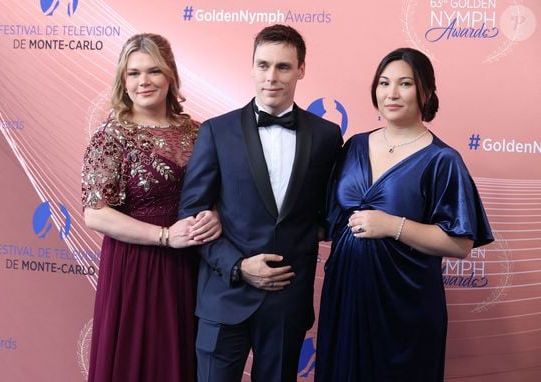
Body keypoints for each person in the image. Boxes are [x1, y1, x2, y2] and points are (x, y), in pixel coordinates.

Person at [315, 47, 494, 381]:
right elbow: (325, 220)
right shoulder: (353, 146)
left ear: (425, 91)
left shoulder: (443, 159)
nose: (392, 93)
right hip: (346, 294)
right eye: (383, 83)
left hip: (404, 305)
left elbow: (460, 244)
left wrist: (392, 225)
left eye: (405, 84)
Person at [178, 24, 343, 382]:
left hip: (287, 299)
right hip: (224, 295)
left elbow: (330, 212)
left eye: (283, 67)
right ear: (252, 67)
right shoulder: (216, 131)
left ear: (301, 69)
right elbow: (192, 212)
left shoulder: (327, 136)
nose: (272, 77)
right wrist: (238, 266)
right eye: (263, 65)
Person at [81, 33, 221, 382]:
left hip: (190, 264)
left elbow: (219, 194)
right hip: (135, 267)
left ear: (170, 75)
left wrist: (215, 216)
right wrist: (163, 236)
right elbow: (95, 212)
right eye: (133, 73)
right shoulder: (111, 135)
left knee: (183, 359)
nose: (144, 81)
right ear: (123, 80)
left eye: (154, 71)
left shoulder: (198, 132)